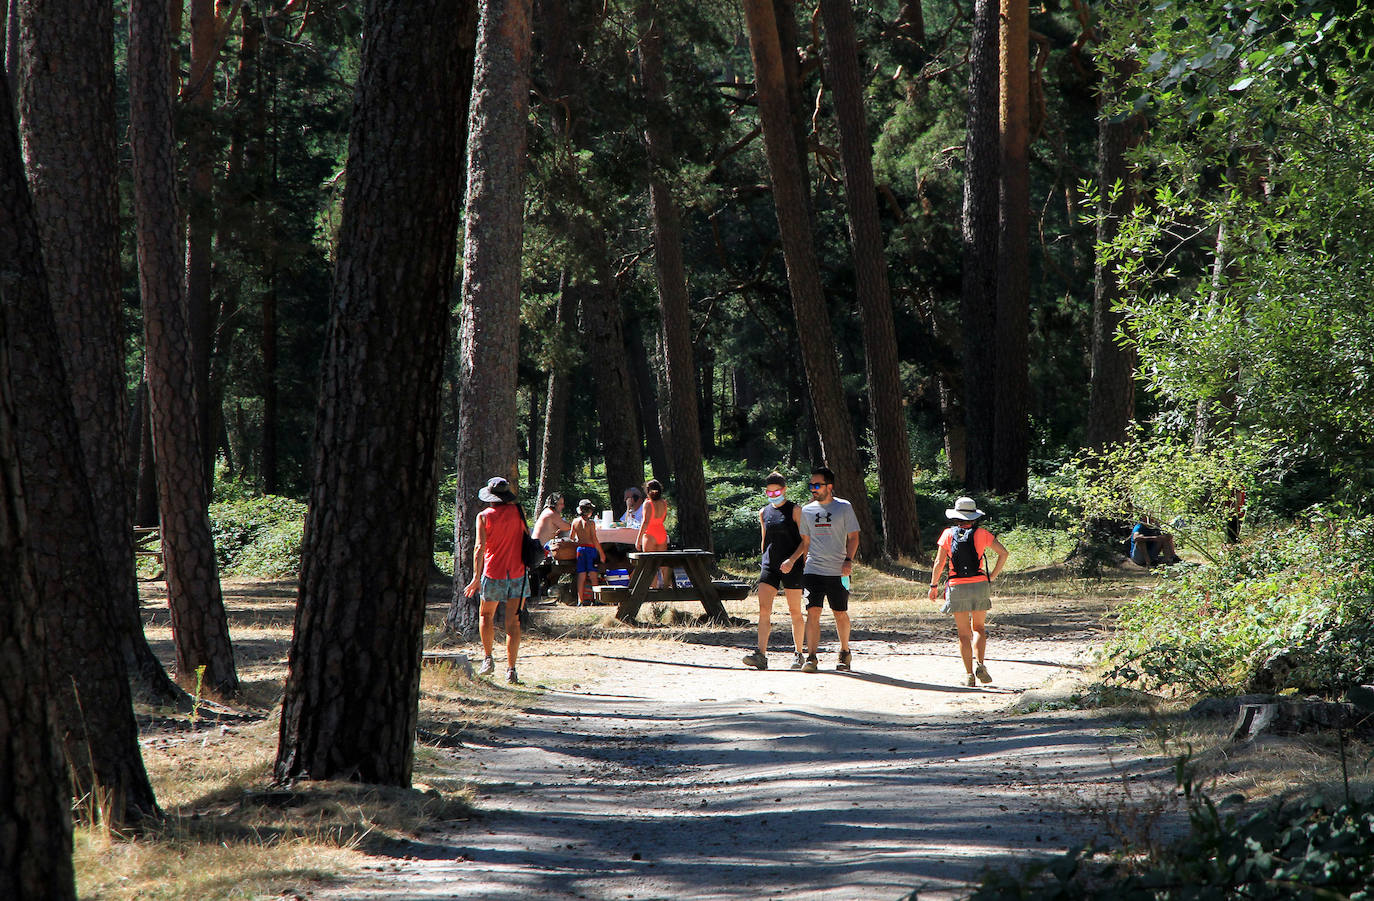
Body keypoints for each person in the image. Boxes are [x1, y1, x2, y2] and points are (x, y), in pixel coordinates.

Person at [927, 496, 1008, 687]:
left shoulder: (947, 534)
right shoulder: (982, 533)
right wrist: (992, 575)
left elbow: (939, 563)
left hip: (957, 586)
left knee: (964, 634)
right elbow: (1004, 553)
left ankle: (970, 675)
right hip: (980, 584)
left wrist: (933, 586)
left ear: (956, 516)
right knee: (978, 628)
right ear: (974, 516)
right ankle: (980, 664)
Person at [463, 476, 529, 684]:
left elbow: (479, 548)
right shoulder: (519, 512)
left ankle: (488, 659)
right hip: (518, 572)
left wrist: (475, 578)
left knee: (486, 615)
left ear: (490, 497)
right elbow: (526, 537)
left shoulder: (483, 516)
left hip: (493, 573)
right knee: (514, 623)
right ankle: (511, 670)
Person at [798, 466, 859, 673]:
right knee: (812, 612)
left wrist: (848, 560)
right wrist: (803, 565)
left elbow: (853, 537)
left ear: (829, 486)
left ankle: (844, 652)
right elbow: (805, 542)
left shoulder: (844, 507)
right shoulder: (806, 511)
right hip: (813, 570)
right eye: (811, 485)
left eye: (817, 485)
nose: (813, 489)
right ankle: (812, 657)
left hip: (838, 571)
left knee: (839, 613)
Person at [743, 472, 807, 670]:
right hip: (770, 565)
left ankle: (798, 654)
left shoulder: (796, 510)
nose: (773, 494)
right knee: (764, 610)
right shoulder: (764, 512)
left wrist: (793, 560)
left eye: (777, 491)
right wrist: (764, 561)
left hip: (793, 566)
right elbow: (764, 541)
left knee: (795, 611)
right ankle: (761, 655)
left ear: (784, 490)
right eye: (770, 492)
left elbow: (806, 541)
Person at [529, 493, 572, 599]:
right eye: (560, 504)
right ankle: (542, 591)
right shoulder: (552, 513)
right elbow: (566, 527)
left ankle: (545, 589)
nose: (563, 506)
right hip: (537, 549)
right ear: (554, 504)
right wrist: (576, 524)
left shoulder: (547, 512)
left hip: (536, 546)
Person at [635, 479, 671, 588]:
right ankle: (667, 589)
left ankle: (653, 590)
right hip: (661, 533)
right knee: (663, 564)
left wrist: (638, 539)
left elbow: (645, 522)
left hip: (650, 534)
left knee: (650, 565)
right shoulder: (664, 503)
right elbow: (663, 518)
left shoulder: (648, 503)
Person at [570, 498, 605, 605]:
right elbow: (594, 539)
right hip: (590, 550)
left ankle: (580, 600)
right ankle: (597, 599)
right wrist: (602, 553)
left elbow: (571, 537)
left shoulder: (575, 522)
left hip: (580, 550)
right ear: (589, 511)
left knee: (581, 575)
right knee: (593, 574)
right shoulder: (591, 523)